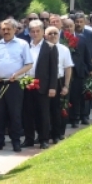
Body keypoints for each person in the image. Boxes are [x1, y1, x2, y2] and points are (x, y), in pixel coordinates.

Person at [0, 19, 33, 152]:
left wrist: (17, 74)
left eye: (8, 29)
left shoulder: (22, 44)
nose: (6, 31)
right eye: (3, 29)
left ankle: (16, 141)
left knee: (15, 114)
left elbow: (29, 64)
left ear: (15, 29)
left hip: (15, 84)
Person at [22, 20, 60, 148]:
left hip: (43, 86)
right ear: (29, 33)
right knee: (27, 113)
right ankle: (29, 139)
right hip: (27, 84)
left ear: (43, 32)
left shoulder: (50, 47)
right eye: (32, 31)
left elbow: (54, 69)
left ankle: (44, 139)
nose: (35, 33)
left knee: (43, 114)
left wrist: (52, 87)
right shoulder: (25, 46)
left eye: (38, 31)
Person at [67, 14, 92, 126]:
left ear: (85, 22)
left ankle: (84, 116)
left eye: (80, 21)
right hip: (69, 69)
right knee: (73, 95)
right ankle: (74, 117)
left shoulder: (89, 34)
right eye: (76, 22)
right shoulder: (63, 37)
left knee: (84, 94)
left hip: (83, 68)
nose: (78, 24)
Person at [45, 26, 73, 142]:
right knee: (44, 110)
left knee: (57, 109)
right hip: (44, 82)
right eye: (50, 33)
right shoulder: (42, 48)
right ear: (45, 36)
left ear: (59, 34)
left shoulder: (64, 49)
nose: (53, 35)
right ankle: (45, 134)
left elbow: (68, 68)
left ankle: (57, 134)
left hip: (58, 81)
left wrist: (66, 85)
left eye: (55, 33)